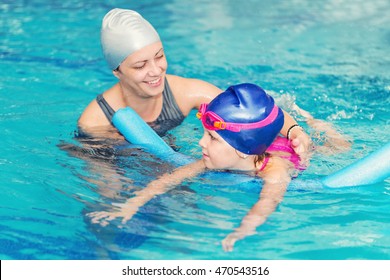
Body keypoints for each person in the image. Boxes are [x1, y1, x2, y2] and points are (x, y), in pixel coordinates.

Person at [88, 83, 339, 252]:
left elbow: (267, 204)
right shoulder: (213, 159)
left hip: (290, 150)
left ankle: (315, 122)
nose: (200, 143)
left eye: (212, 138)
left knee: (335, 144)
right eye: (205, 134)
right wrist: (131, 203)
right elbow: (169, 180)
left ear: (241, 150)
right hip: (261, 139)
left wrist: (241, 231)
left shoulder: (275, 170)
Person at [77, 8, 311, 161]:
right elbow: (107, 178)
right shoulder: (95, 122)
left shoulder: (183, 92)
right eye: (140, 66)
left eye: (159, 56)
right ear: (117, 72)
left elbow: (249, 112)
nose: (156, 71)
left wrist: (295, 131)